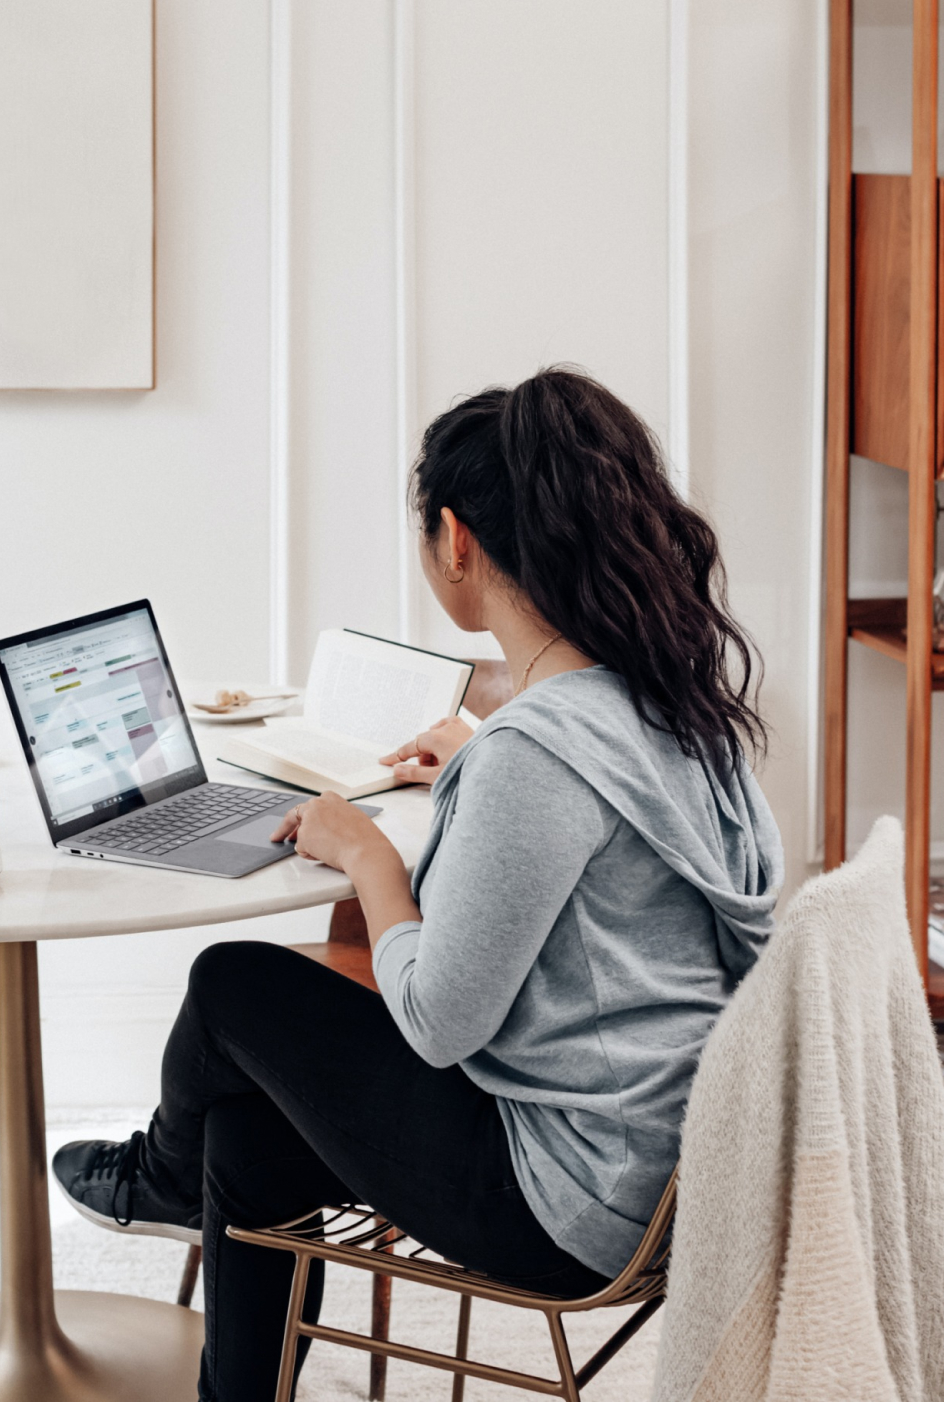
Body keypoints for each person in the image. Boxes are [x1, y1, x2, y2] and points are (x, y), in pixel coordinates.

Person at [53, 369, 784, 1402]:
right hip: (670, 1168)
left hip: (568, 1202)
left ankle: (156, 1181)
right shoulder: (668, 699)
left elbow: (438, 1020)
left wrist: (367, 857)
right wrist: (478, 775)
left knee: (231, 985)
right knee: (248, 1128)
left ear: (454, 540)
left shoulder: (537, 755)